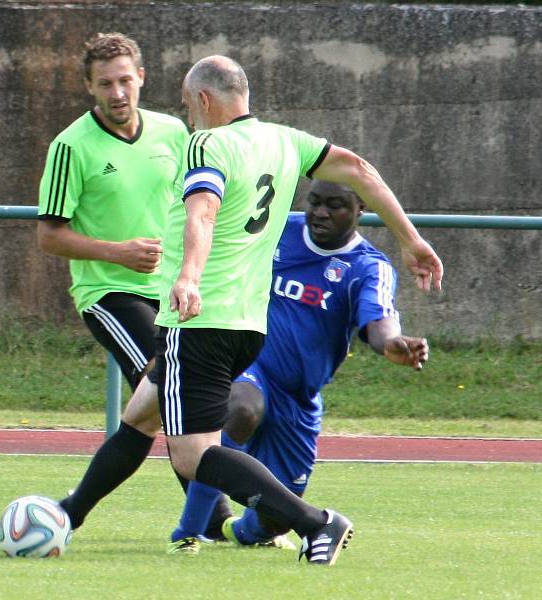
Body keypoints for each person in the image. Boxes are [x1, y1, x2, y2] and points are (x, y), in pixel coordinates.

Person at [151, 55, 443, 567]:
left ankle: (309, 522)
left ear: (202, 100)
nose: (188, 117)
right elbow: (359, 167)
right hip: (248, 339)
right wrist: (413, 239)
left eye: (186, 106)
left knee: (201, 463)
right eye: (317, 202)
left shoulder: (209, 143)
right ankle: (189, 528)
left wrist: (189, 277)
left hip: (214, 323)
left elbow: (203, 212)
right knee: (212, 422)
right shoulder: (285, 141)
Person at [167, 180, 429, 552]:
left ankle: (232, 530)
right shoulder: (276, 230)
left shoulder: (368, 267)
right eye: (315, 202)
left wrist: (391, 344)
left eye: (335, 205)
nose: (320, 212)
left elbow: (379, 323)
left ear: (361, 211)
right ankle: (188, 533)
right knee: (240, 408)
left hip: (299, 398)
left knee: (271, 523)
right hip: (251, 364)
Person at [36, 33, 193, 530]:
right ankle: (216, 513)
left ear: (142, 77)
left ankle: (70, 513)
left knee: (166, 404)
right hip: (108, 292)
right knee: (171, 391)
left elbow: (198, 208)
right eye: (105, 83)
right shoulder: (70, 146)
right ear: (89, 87)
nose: (118, 92)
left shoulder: (173, 133)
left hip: (172, 293)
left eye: (126, 80)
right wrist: (118, 254)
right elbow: (49, 235)